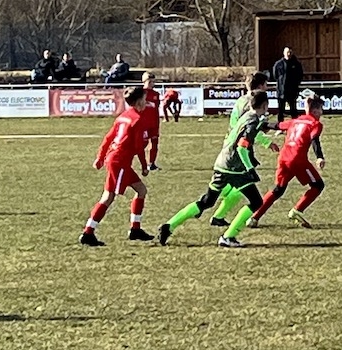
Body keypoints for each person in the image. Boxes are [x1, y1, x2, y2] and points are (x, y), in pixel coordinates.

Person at [158, 91, 274, 249]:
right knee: (256, 202)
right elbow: (242, 147)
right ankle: (228, 237)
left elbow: (251, 129)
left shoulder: (247, 116)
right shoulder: (252, 122)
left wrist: (268, 129)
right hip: (234, 168)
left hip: (221, 164)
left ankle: (169, 225)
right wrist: (250, 169)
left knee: (207, 201)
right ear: (265, 105)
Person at [79, 85, 155, 246]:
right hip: (119, 162)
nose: (146, 101)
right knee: (108, 197)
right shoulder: (137, 120)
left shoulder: (123, 116)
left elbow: (108, 137)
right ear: (139, 102)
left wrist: (100, 157)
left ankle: (135, 229)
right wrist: (144, 165)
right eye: (144, 99)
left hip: (117, 160)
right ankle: (88, 232)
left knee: (141, 190)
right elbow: (138, 148)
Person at [208, 72, 277, 228]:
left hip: (232, 145)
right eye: (266, 85)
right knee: (240, 185)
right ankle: (220, 216)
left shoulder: (242, 100)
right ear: (260, 86)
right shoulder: (249, 104)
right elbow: (247, 131)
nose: (267, 88)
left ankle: (218, 215)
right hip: (237, 149)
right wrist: (266, 142)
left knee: (237, 185)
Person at [248, 95, 325, 229]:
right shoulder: (315, 124)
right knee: (318, 185)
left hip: (284, 158)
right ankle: (297, 211)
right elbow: (315, 140)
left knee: (278, 189)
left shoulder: (295, 121)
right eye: (320, 109)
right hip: (298, 160)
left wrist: (262, 125)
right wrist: (319, 156)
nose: (321, 113)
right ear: (315, 111)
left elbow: (277, 126)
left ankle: (254, 217)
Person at [272, 46, 304, 121]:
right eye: (287, 52)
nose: (288, 54)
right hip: (281, 91)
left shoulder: (296, 64)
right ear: (284, 53)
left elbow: (300, 76)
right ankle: (280, 125)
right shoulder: (278, 64)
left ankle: (295, 124)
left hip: (292, 91)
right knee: (281, 110)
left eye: (290, 52)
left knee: (293, 110)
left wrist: (295, 85)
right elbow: (275, 75)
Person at [139, 71, 162, 170]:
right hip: (143, 123)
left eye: (153, 82)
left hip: (154, 123)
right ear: (144, 81)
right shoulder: (140, 93)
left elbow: (156, 106)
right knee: (142, 144)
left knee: (154, 143)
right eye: (150, 82)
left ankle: (151, 164)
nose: (152, 84)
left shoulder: (156, 94)